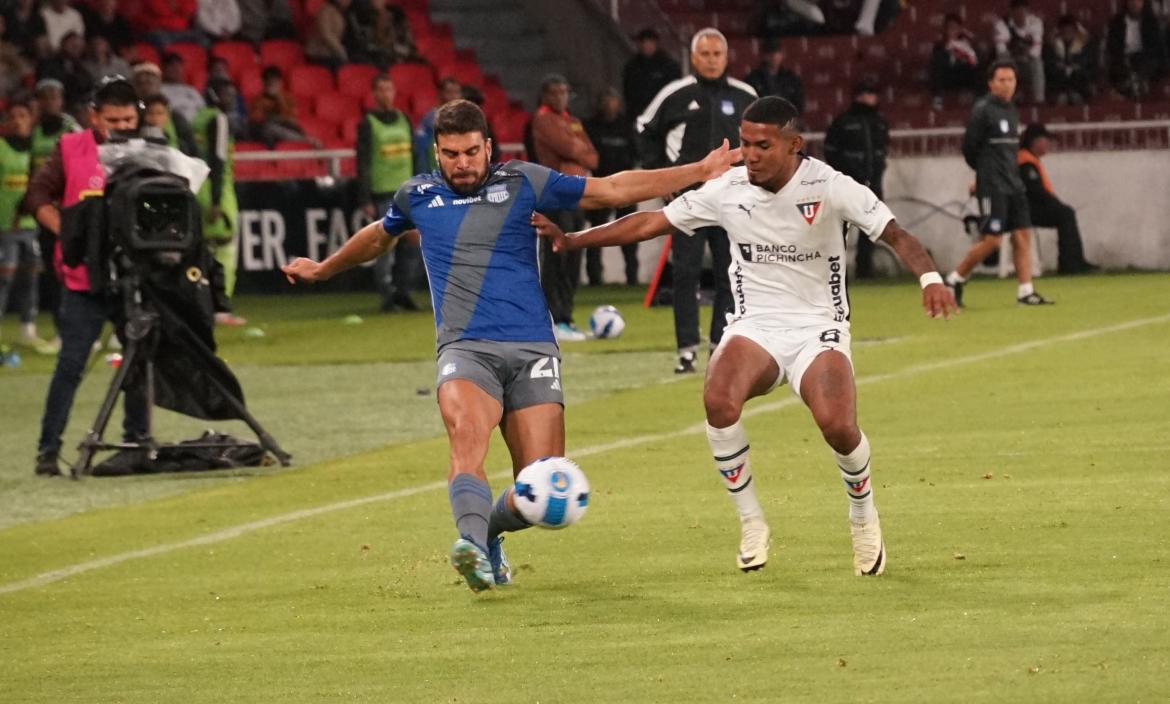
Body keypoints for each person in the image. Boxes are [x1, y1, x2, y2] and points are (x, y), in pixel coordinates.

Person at [281, 99, 741, 593]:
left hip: (532, 350)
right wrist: (324, 269)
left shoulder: (522, 181)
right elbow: (379, 237)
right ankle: (472, 547)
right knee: (467, 439)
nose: (462, 163)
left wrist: (699, 170)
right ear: (436, 152)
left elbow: (610, 188)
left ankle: (491, 533)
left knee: (542, 488)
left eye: (471, 152)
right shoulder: (416, 195)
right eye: (452, 153)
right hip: (465, 349)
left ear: (488, 147)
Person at [533, 96, 958, 576]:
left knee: (838, 427)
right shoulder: (727, 188)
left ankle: (863, 515)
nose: (750, 155)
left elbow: (896, 234)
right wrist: (574, 240)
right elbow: (653, 222)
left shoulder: (832, 186)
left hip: (818, 327)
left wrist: (931, 279)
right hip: (754, 324)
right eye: (744, 143)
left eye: (762, 145)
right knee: (718, 398)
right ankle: (752, 521)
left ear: (794, 145)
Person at [24, 77, 150, 477]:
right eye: (113, 120)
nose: (122, 127)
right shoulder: (70, 147)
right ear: (93, 116)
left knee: (137, 362)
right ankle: (48, 451)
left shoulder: (150, 151)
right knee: (70, 365)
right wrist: (70, 231)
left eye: (129, 119)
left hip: (132, 274)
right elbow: (37, 197)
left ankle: (137, 444)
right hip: (82, 278)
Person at [637, 27, 757, 373]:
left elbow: (766, 138)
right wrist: (661, 176)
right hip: (688, 199)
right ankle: (686, 351)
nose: (711, 60)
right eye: (704, 54)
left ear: (726, 57)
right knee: (685, 273)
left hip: (733, 198)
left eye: (716, 54)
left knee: (730, 273)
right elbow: (645, 128)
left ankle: (721, 348)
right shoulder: (675, 93)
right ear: (692, 57)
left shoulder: (745, 95)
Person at [945, 60, 1053, 307]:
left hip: (1013, 183)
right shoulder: (983, 110)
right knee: (993, 239)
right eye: (1001, 80)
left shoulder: (1011, 110)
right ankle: (954, 278)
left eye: (1011, 80)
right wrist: (984, 175)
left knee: (1022, 234)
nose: (1007, 85)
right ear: (991, 83)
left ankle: (1026, 291)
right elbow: (969, 148)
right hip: (993, 185)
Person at [530, 74, 598, 341]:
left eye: (565, 91)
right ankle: (552, 319)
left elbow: (593, 155)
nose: (561, 97)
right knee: (555, 258)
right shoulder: (543, 119)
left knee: (572, 257)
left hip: (576, 195)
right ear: (545, 96)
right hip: (553, 195)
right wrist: (577, 152)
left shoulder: (572, 121)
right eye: (556, 92)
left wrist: (576, 152)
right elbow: (568, 147)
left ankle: (566, 317)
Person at [355, 73, 422, 312]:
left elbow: (414, 156)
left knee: (412, 245)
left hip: (406, 191)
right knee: (385, 248)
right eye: (380, 90)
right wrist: (365, 197)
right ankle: (387, 294)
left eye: (389, 89)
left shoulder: (404, 118)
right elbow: (362, 161)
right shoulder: (368, 122)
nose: (385, 94)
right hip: (382, 192)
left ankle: (404, 291)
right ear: (374, 94)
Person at [193, 77, 247, 324]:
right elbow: (218, 158)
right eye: (226, 94)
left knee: (202, 251)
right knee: (226, 248)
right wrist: (216, 200)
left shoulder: (198, 119)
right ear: (214, 95)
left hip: (198, 184)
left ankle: (201, 303)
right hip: (218, 188)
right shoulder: (219, 119)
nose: (231, 99)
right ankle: (221, 308)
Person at [0, 96, 52, 352]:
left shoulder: (32, 150)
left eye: (23, 116)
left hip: (29, 224)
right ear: (6, 122)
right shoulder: (1, 148)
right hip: (4, 226)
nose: (19, 121)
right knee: (4, 279)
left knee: (31, 276)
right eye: (13, 117)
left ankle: (27, 329)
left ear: (31, 121)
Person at [823, 78, 888, 279]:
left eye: (872, 93)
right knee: (838, 228)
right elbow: (831, 152)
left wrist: (875, 174)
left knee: (871, 227)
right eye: (866, 93)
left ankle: (864, 269)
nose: (870, 98)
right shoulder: (843, 122)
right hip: (847, 184)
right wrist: (846, 175)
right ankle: (834, 270)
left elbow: (882, 152)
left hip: (873, 182)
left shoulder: (879, 123)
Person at [1017, 123, 1096, 275]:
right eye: (1045, 141)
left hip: (1027, 208)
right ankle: (1070, 264)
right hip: (1024, 210)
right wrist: (1056, 204)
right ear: (1036, 141)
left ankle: (1075, 261)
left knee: (1066, 213)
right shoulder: (1025, 163)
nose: (1047, 145)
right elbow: (1036, 192)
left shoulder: (1028, 160)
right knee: (1065, 214)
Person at [583, 87, 640, 286]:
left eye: (612, 100)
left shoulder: (626, 126)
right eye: (605, 100)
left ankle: (632, 276)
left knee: (630, 232)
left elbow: (636, 152)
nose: (608, 104)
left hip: (625, 186)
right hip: (599, 184)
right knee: (596, 233)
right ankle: (594, 277)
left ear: (618, 103)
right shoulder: (590, 126)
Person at [1106, 0, 1169, 100]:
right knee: (1117, 68)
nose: (1135, 4)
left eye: (1138, 1)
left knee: (1146, 65)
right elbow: (1112, 46)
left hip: (1144, 58)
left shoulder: (1151, 21)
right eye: (1132, 1)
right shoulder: (1117, 22)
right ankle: (1132, 87)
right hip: (1123, 58)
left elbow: (1156, 47)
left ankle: (1134, 86)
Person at [132, 62, 198, 156]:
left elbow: (192, 152)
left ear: (159, 84)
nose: (145, 88)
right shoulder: (129, 116)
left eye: (149, 83)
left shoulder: (175, 118)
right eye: (140, 84)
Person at [622, 28, 681, 126]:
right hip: (639, 113)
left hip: (662, 114)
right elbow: (628, 91)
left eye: (649, 42)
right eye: (643, 42)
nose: (646, 45)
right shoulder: (632, 66)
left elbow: (674, 90)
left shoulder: (668, 65)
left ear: (655, 43)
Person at [248, 65, 316, 147]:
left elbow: (289, 117)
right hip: (267, 133)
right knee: (270, 127)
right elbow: (257, 119)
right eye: (269, 82)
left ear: (280, 82)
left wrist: (278, 98)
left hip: (285, 129)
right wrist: (268, 108)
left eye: (275, 82)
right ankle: (303, 140)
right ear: (264, 83)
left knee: (293, 124)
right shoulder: (258, 100)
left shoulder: (287, 98)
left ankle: (302, 140)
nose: (272, 84)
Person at [993, 0, 1045, 104]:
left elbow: (1036, 50)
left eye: (1023, 11)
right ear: (1011, 12)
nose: (1020, 15)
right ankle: (1005, 99)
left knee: (1037, 63)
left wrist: (1026, 55)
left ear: (1027, 11)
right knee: (1002, 62)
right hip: (1011, 61)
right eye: (1017, 11)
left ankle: (1039, 100)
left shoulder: (1035, 22)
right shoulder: (1002, 24)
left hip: (1028, 62)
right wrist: (1016, 55)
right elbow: (1001, 50)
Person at [929, 13, 980, 108]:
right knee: (935, 67)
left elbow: (974, 61)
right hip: (947, 77)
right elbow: (938, 61)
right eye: (950, 28)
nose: (953, 30)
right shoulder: (939, 45)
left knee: (977, 68)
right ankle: (937, 98)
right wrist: (949, 49)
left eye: (955, 28)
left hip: (962, 75)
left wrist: (965, 54)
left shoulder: (966, 44)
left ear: (960, 29)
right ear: (945, 29)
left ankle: (978, 99)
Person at [1045, 15, 1097, 106]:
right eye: (1064, 31)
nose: (1067, 34)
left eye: (1070, 31)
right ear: (1059, 31)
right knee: (1061, 98)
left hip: (1078, 85)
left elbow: (1086, 66)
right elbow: (1050, 68)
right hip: (1059, 86)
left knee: (1078, 94)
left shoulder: (1082, 46)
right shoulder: (1053, 46)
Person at [744, 38, 804, 116]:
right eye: (770, 54)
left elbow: (799, 105)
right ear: (764, 55)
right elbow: (748, 105)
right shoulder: (753, 79)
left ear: (782, 55)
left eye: (777, 53)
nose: (774, 57)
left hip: (786, 121)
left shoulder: (791, 78)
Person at [413, 76, 461, 172]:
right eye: (449, 92)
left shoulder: (464, 120)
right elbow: (422, 150)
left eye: (456, 92)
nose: (453, 97)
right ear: (440, 94)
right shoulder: (430, 120)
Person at [159, 52, 205, 122]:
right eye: (171, 66)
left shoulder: (191, 90)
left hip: (196, 125)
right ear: (164, 69)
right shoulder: (159, 89)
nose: (175, 69)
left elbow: (203, 110)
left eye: (178, 66)